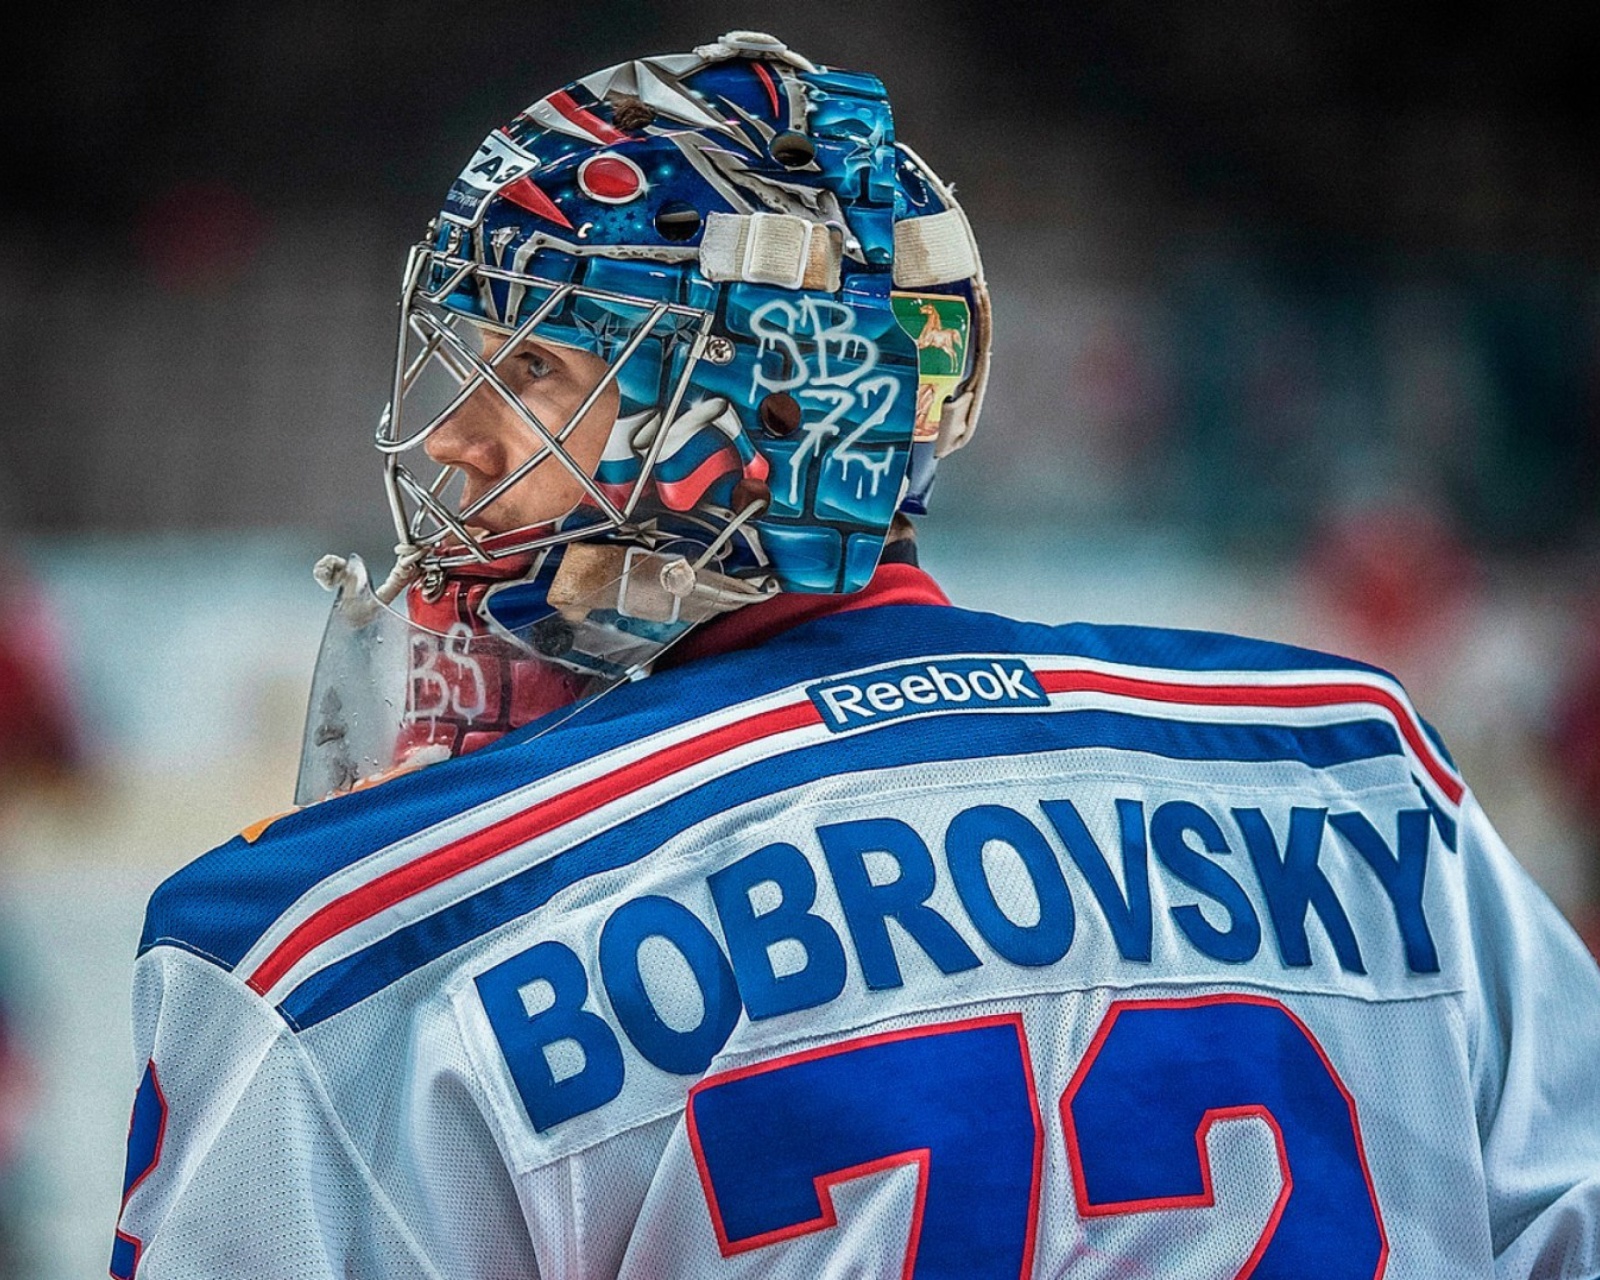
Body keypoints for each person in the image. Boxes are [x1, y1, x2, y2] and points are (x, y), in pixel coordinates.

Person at [111, 31, 1600, 1279]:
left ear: (765, 418)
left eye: (538, 371)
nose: (454, 435)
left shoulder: (340, 956)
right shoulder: (1355, 766)